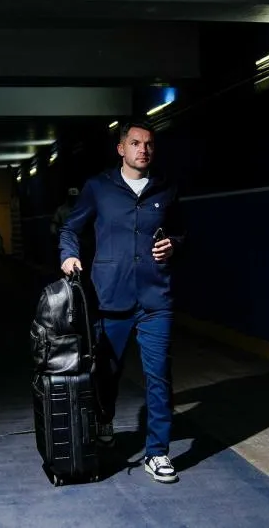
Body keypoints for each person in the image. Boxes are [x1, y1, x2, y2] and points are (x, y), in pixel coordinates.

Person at [58, 120, 185, 484]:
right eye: (134, 143)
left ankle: (158, 453)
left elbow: (180, 231)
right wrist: (69, 255)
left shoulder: (166, 189)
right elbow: (70, 228)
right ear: (121, 149)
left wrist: (174, 244)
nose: (142, 149)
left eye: (148, 144)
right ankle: (105, 418)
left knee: (159, 376)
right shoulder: (99, 188)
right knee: (106, 373)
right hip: (110, 296)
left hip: (155, 298)